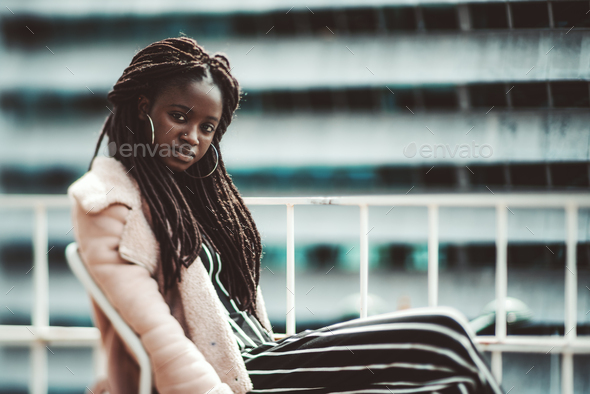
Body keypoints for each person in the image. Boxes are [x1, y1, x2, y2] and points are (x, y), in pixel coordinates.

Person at [68, 36, 503, 394]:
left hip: (266, 355)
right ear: (143, 107)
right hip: (238, 379)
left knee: (446, 357)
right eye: (179, 117)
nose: (193, 137)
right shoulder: (108, 202)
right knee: (441, 339)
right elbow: (156, 332)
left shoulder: (189, 194)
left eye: (207, 127)